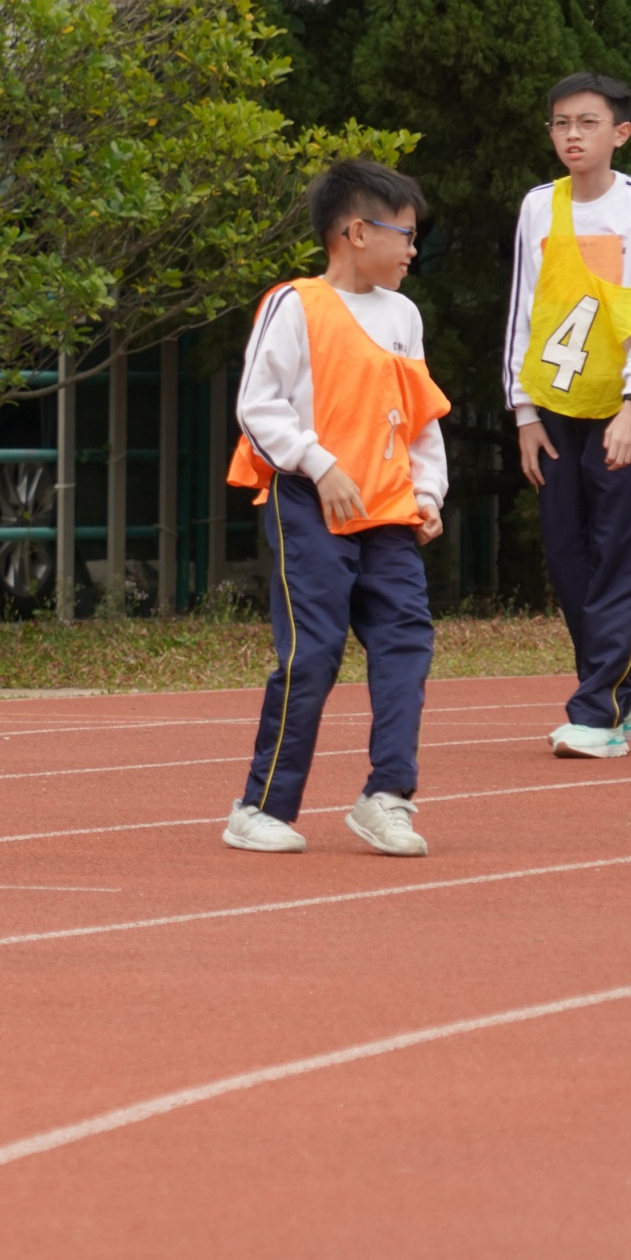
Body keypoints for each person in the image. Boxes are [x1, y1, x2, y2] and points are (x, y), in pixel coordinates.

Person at [223, 159, 450, 858]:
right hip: (307, 506)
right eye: (404, 234)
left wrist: (428, 492)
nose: (412, 249)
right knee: (313, 652)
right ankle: (261, 806)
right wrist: (320, 466)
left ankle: (388, 796)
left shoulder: (404, 316)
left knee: (406, 643)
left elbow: (419, 420)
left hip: (389, 514)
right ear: (356, 232)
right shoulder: (295, 305)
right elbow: (257, 407)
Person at [508, 73, 631, 758]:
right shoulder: (537, 207)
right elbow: (523, 309)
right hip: (553, 405)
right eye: (560, 123)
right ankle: (622, 697)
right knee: (565, 553)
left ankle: (597, 710)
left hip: (619, 404)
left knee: (620, 552)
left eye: (587, 122)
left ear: (620, 133)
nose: (571, 135)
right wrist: (523, 410)